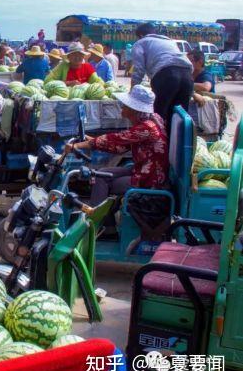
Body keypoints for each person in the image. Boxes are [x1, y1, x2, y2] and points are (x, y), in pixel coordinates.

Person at [65, 85, 168, 228]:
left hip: (149, 177)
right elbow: (120, 144)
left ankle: (96, 225)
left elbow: (117, 139)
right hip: (141, 169)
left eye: (125, 105)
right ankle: (105, 223)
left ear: (134, 109)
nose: (122, 108)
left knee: (103, 182)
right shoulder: (149, 121)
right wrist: (90, 141)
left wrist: (78, 146)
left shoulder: (147, 128)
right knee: (101, 174)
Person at [130, 23, 194, 131]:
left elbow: (138, 69)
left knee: (158, 116)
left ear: (140, 35)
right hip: (187, 75)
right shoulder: (169, 41)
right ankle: (177, 146)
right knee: (179, 116)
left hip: (166, 75)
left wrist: (132, 92)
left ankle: (159, 146)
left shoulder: (141, 43)